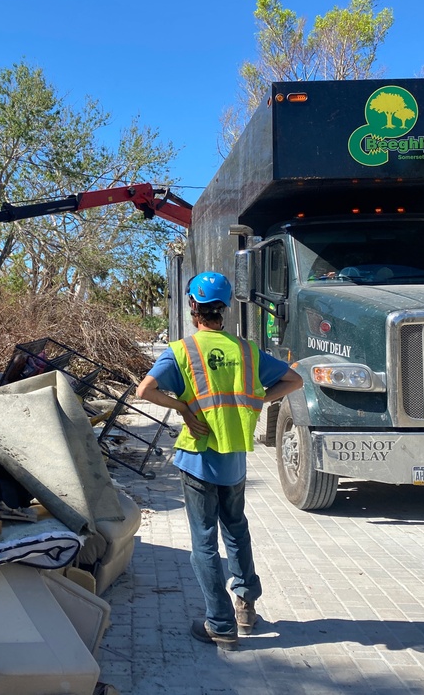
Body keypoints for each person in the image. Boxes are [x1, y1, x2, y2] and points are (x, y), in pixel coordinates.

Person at [135, 271, 302, 651]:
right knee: (236, 529)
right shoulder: (246, 351)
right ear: (223, 310)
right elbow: (294, 380)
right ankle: (245, 608)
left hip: (197, 459)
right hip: (235, 459)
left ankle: (220, 623)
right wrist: (259, 399)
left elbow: (146, 389)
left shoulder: (181, 351)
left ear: (193, 307)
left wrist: (180, 406)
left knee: (204, 542)